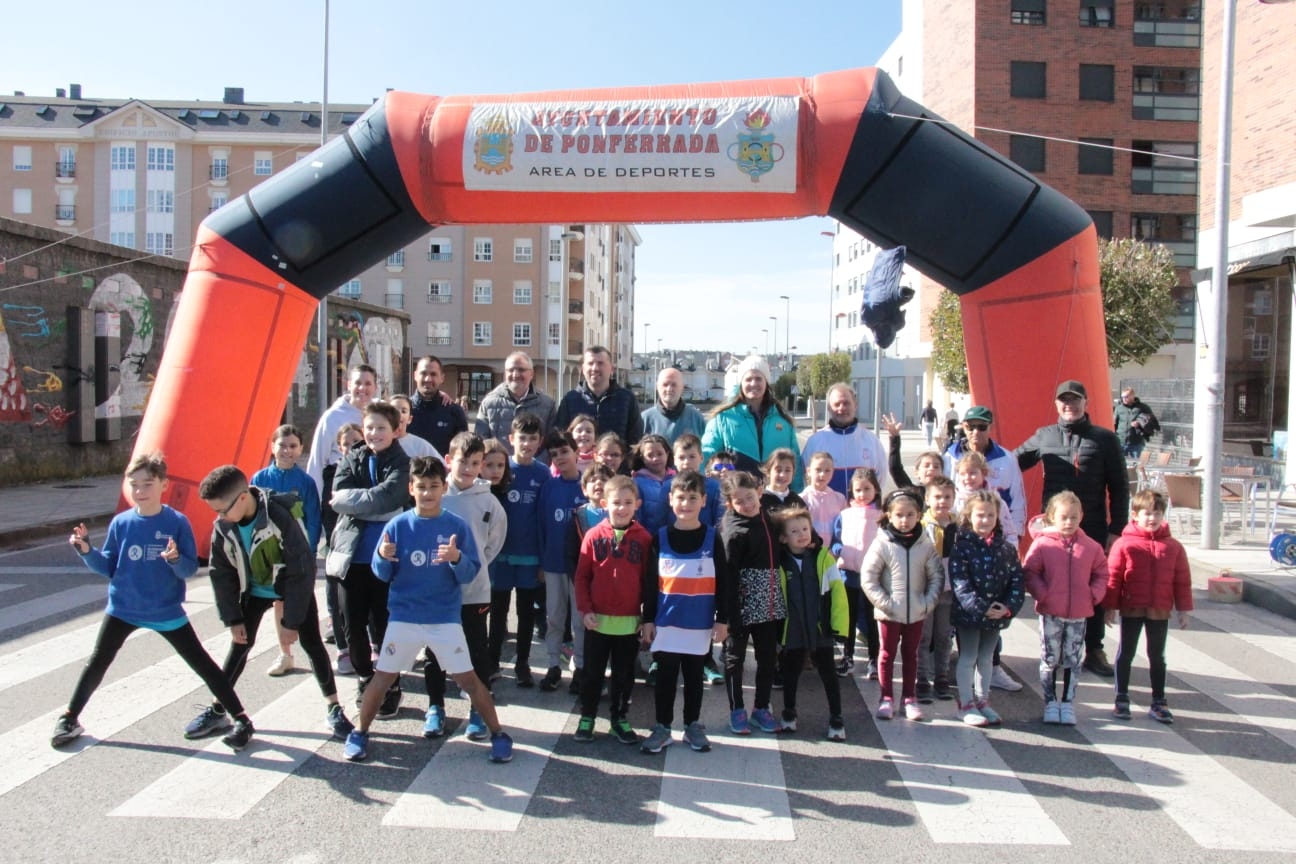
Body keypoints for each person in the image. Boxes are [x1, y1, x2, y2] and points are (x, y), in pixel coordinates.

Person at [54, 453, 253, 751]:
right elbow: (108, 566)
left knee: (201, 663)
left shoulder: (176, 522)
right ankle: (70, 718)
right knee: (97, 661)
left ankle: (240, 719)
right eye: (133, 484)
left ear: (164, 485)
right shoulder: (121, 523)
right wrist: (86, 551)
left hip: (165, 611)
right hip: (122, 609)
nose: (139, 491)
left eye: (147, 484)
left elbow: (187, 569)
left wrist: (174, 560)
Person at [344, 456, 512, 763]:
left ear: (443, 487)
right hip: (404, 617)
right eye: (421, 486)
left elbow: (470, 572)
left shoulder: (456, 527)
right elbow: (381, 573)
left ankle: (499, 733)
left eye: (434, 486)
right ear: (411, 488)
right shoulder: (397, 525)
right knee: (382, 677)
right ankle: (359, 732)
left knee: (469, 679)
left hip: (444, 618)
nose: (428, 493)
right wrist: (382, 556)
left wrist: (456, 558)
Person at [190, 465, 354, 741]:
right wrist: (233, 619)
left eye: (222, 509)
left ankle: (334, 707)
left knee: (311, 643)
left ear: (242, 497)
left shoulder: (280, 516)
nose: (219, 517)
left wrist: (290, 621)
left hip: (291, 588)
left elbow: (301, 571)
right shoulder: (223, 527)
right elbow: (222, 575)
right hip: (254, 592)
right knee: (239, 646)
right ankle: (220, 709)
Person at [1016, 379, 1128, 679]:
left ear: (1085, 403)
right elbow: (1011, 463)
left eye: (1075, 400)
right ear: (1056, 404)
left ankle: (1093, 648)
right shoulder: (1044, 436)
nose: (1070, 405)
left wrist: (1117, 528)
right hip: (1054, 531)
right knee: (1054, 587)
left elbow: (1120, 488)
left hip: (1091, 528)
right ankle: (1052, 649)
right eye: (1064, 400)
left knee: (1090, 588)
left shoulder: (1105, 439)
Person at [325, 400, 411, 718]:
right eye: (370, 427)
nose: (374, 433)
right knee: (352, 624)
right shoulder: (352, 457)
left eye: (381, 428)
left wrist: (355, 502)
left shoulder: (402, 463)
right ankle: (365, 676)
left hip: (388, 559)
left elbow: (390, 496)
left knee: (385, 624)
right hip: (351, 557)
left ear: (395, 431)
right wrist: (365, 503)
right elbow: (337, 496)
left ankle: (391, 683)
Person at [425, 432, 507, 740]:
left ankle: (477, 709)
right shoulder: (437, 496)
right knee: (434, 650)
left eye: (475, 463)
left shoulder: (490, 502)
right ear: (449, 461)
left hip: (475, 590)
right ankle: (435, 707)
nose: (468, 468)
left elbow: (494, 543)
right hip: (437, 588)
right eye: (463, 461)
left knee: (476, 650)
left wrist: (474, 566)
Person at [641, 470, 729, 754]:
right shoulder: (661, 538)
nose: (686, 504)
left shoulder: (713, 539)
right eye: (681, 497)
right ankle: (662, 727)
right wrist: (648, 619)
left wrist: (722, 620)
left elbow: (724, 583)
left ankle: (692, 725)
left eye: (693, 498)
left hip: (699, 623)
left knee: (693, 677)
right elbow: (650, 584)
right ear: (670, 500)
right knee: (666, 677)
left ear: (704, 501)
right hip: (667, 623)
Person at [573, 475, 655, 746]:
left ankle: (619, 718)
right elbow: (582, 577)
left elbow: (649, 582)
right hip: (597, 621)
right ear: (604, 503)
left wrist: (647, 618)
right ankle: (587, 716)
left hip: (628, 622)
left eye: (628, 502)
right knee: (592, 674)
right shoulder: (593, 535)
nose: (621, 508)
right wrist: (585, 610)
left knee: (623, 675)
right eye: (616, 502)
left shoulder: (644, 539)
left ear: (637, 505)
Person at [1105, 489, 1192, 724]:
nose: (1152, 518)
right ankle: (1121, 698)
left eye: (1157, 513)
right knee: (1126, 653)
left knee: (1157, 656)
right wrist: (1109, 607)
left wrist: (1183, 610)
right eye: (1147, 513)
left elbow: (1182, 580)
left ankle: (1159, 700)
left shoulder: (1173, 547)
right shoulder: (1124, 544)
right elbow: (1114, 578)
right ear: (1135, 515)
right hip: (1132, 607)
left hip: (1159, 610)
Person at [1023, 490, 1108, 726]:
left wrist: (1093, 595)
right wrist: (1043, 594)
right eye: (1063, 517)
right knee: (1050, 658)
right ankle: (1050, 701)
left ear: (1081, 516)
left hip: (1079, 613)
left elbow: (1102, 572)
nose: (1069, 522)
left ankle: (1067, 702)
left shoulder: (1091, 547)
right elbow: (1030, 571)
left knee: (1072, 658)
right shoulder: (1042, 545)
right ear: (1052, 517)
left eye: (1073, 517)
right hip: (1051, 612)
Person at [862, 488, 943, 721]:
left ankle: (909, 698)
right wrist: (886, 604)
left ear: (919, 515)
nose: (904, 520)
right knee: (887, 654)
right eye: (899, 515)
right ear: (889, 515)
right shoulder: (882, 544)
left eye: (910, 514)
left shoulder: (925, 544)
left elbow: (936, 575)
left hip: (916, 612)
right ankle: (886, 697)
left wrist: (927, 603)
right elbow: (869, 578)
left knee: (911, 654)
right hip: (889, 613)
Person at [251, 423, 322, 678]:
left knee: (302, 601)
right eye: (282, 445)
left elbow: (314, 519)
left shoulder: (305, 482)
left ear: (301, 449)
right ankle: (285, 654)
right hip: (272, 552)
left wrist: (310, 550)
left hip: (299, 554)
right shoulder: (259, 479)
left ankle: (314, 652)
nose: (287, 451)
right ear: (272, 447)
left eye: (293, 446)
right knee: (279, 601)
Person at [949, 490, 1025, 728]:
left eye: (990, 515)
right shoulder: (962, 547)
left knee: (986, 658)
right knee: (968, 656)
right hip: (970, 616)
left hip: (996, 616)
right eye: (980, 515)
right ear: (969, 516)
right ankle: (966, 703)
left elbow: (1016, 580)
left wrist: (1007, 608)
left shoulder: (1006, 548)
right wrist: (982, 608)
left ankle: (983, 701)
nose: (985, 520)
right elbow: (960, 584)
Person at [719, 471, 785, 736]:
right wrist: (727, 615)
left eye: (749, 497)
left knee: (767, 657)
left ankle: (761, 708)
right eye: (739, 501)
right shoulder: (733, 531)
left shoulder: (767, 518)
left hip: (768, 598)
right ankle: (737, 710)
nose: (747, 504)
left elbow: (794, 523)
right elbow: (726, 577)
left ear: (759, 492)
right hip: (741, 601)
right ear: (729, 504)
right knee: (735, 659)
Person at [775, 506, 849, 739]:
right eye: (794, 531)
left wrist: (839, 625)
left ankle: (836, 717)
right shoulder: (780, 562)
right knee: (790, 672)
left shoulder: (823, 557)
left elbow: (837, 591)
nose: (802, 534)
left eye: (805, 528)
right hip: (793, 628)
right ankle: (789, 712)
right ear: (783, 538)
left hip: (820, 626)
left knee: (828, 672)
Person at [488, 412, 549, 687]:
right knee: (498, 612)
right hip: (500, 555)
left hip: (529, 556)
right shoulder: (500, 469)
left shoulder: (542, 473)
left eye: (532, 438)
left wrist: (542, 562)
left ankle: (522, 662)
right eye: (521, 438)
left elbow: (544, 519)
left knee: (526, 613)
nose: (526, 443)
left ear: (539, 442)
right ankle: (492, 661)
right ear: (511, 439)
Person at [703, 354, 803, 489]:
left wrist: (796, 496)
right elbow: (705, 454)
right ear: (741, 384)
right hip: (739, 498)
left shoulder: (783, 422)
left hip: (774, 499)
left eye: (758, 379)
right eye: (748, 379)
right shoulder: (723, 419)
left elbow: (795, 462)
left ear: (766, 382)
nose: (753, 383)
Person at [537, 429, 587, 693]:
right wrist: (542, 564)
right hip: (554, 563)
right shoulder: (549, 487)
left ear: (576, 452)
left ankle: (580, 666)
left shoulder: (587, 486)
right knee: (554, 616)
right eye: (554, 455)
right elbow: (542, 526)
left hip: (581, 567)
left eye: (565, 452)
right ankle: (553, 664)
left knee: (580, 619)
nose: (560, 458)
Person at [943, 406, 1026, 549]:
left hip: (995, 541)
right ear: (964, 427)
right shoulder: (949, 457)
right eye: (970, 427)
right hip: (958, 541)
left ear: (990, 427)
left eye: (981, 427)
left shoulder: (1007, 459)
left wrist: (1015, 537)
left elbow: (1017, 500)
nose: (975, 432)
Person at [830, 467, 882, 678]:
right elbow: (836, 540)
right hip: (848, 575)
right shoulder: (844, 515)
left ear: (876, 490)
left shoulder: (880, 516)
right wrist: (838, 550)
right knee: (848, 619)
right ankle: (848, 656)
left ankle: (874, 660)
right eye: (858, 490)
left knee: (872, 619)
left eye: (867, 489)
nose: (862, 494)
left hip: (873, 577)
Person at [322, 422, 364, 672]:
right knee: (336, 599)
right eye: (346, 444)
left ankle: (369, 647)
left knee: (361, 604)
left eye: (356, 442)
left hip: (362, 546)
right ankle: (343, 649)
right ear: (339, 447)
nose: (351, 447)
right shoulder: (331, 474)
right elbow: (328, 509)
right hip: (336, 545)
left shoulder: (369, 472)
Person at [800, 383, 888, 496]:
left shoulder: (871, 441)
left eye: (846, 403)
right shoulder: (815, 441)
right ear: (829, 408)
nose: (842, 408)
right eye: (837, 404)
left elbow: (881, 478)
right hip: (826, 512)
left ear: (855, 405)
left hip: (861, 511)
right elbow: (805, 477)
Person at [307, 363, 377, 497]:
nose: (362, 388)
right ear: (349, 385)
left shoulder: (381, 413)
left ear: (375, 387)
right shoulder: (332, 417)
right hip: (338, 487)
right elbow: (318, 460)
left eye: (368, 383)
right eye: (358, 383)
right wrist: (315, 500)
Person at [916, 475, 957, 702]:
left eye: (947, 497)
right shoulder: (921, 526)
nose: (942, 501)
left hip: (949, 591)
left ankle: (941, 676)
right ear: (928, 499)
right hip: (927, 590)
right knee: (924, 636)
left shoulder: (958, 525)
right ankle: (921, 678)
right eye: (938, 497)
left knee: (943, 636)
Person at [555, 346, 644, 447]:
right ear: (583, 369)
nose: (595, 368)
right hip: (579, 462)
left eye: (600, 363)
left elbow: (636, 439)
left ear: (611, 369)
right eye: (590, 363)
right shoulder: (570, 399)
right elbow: (561, 437)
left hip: (615, 462)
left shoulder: (627, 399)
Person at [474, 352, 557, 451]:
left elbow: (550, 442)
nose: (515, 374)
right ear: (505, 374)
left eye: (521, 370)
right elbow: (481, 440)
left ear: (531, 374)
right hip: (500, 465)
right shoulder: (489, 403)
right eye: (511, 370)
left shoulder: (547, 404)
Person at [407, 355, 469, 455]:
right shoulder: (404, 410)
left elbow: (463, 452)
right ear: (415, 376)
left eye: (433, 374)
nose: (428, 379)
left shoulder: (454, 412)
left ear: (442, 378)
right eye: (423, 373)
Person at [641, 366, 706, 444]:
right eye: (665, 384)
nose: (669, 389)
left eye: (674, 385)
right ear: (657, 386)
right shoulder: (644, 419)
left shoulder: (696, 418)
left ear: (682, 387)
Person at [632, 433, 676, 536]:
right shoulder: (637, 482)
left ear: (667, 454)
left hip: (674, 536)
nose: (655, 458)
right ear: (643, 458)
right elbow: (637, 515)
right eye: (650, 455)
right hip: (648, 537)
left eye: (660, 454)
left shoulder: (677, 480)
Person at [802, 452, 848, 548]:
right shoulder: (802, 499)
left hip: (833, 554)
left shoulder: (839, 499)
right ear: (809, 471)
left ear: (833, 472)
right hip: (810, 552)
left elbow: (846, 526)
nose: (822, 474)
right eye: (818, 470)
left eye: (827, 470)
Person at [389, 393, 444, 461]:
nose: (399, 414)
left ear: (409, 419)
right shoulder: (380, 441)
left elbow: (443, 467)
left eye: (403, 411)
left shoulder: (421, 446)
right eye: (394, 410)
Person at [1113, 388, 1160, 461]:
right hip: (1121, 441)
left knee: (1135, 463)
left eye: (1126, 397)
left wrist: (1139, 423)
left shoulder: (1142, 407)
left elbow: (1152, 420)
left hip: (1136, 441)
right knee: (1120, 464)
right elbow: (1114, 424)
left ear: (1132, 396)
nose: (1124, 399)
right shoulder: (1119, 408)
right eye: (1123, 397)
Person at [760, 448, 806, 515]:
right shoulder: (760, 500)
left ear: (793, 473)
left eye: (787, 470)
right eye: (778, 470)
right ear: (768, 472)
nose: (782, 475)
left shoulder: (797, 501)